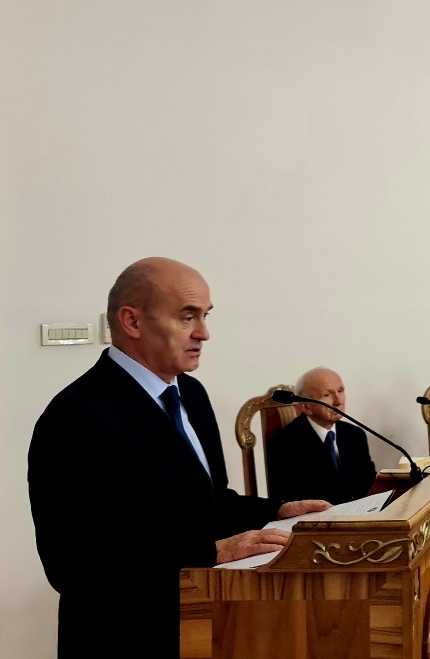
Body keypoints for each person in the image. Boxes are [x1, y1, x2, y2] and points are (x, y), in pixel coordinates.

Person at [27, 257, 330, 659]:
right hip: (126, 635)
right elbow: (73, 564)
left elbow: (207, 502)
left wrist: (276, 510)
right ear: (132, 321)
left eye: (205, 315)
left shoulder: (191, 394)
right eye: (187, 317)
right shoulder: (75, 416)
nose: (204, 333)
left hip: (207, 624)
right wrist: (210, 553)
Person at [267, 367, 376, 504]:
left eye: (340, 391)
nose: (338, 401)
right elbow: (292, 497)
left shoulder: (354, 434)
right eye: (327, 395)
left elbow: (369, 482)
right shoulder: (287, 443)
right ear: (306, 407)